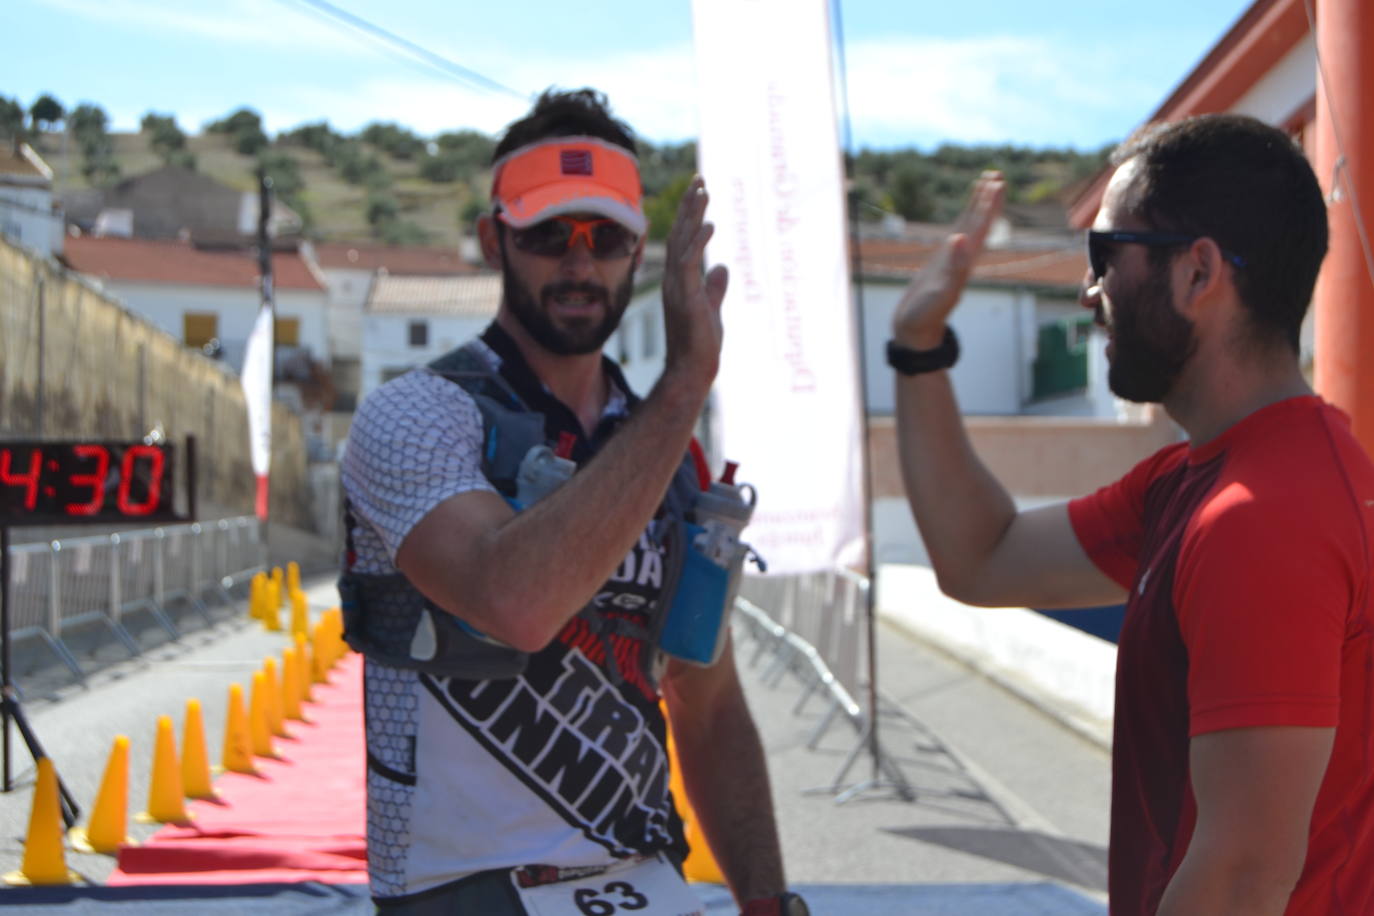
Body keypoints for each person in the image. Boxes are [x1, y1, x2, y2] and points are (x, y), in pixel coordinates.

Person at [889, 114, 1374, 915]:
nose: (1090, 292)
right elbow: (983, 556)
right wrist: (918, 347)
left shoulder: (1262, 514)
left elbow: (1241, 877)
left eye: (1105, 257)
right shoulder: (1197, 482)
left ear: (1197, 273)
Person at [340, 88, 805, 916]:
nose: (580, 265)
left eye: (606, 238)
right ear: (495, 240)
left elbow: (708, 699)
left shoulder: (673, 451)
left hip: (644, 879)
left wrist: (769, 904)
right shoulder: (416, 415)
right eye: (548, 235)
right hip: (459, 889)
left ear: (639, 253)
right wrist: (686, 383)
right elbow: (514, 602)